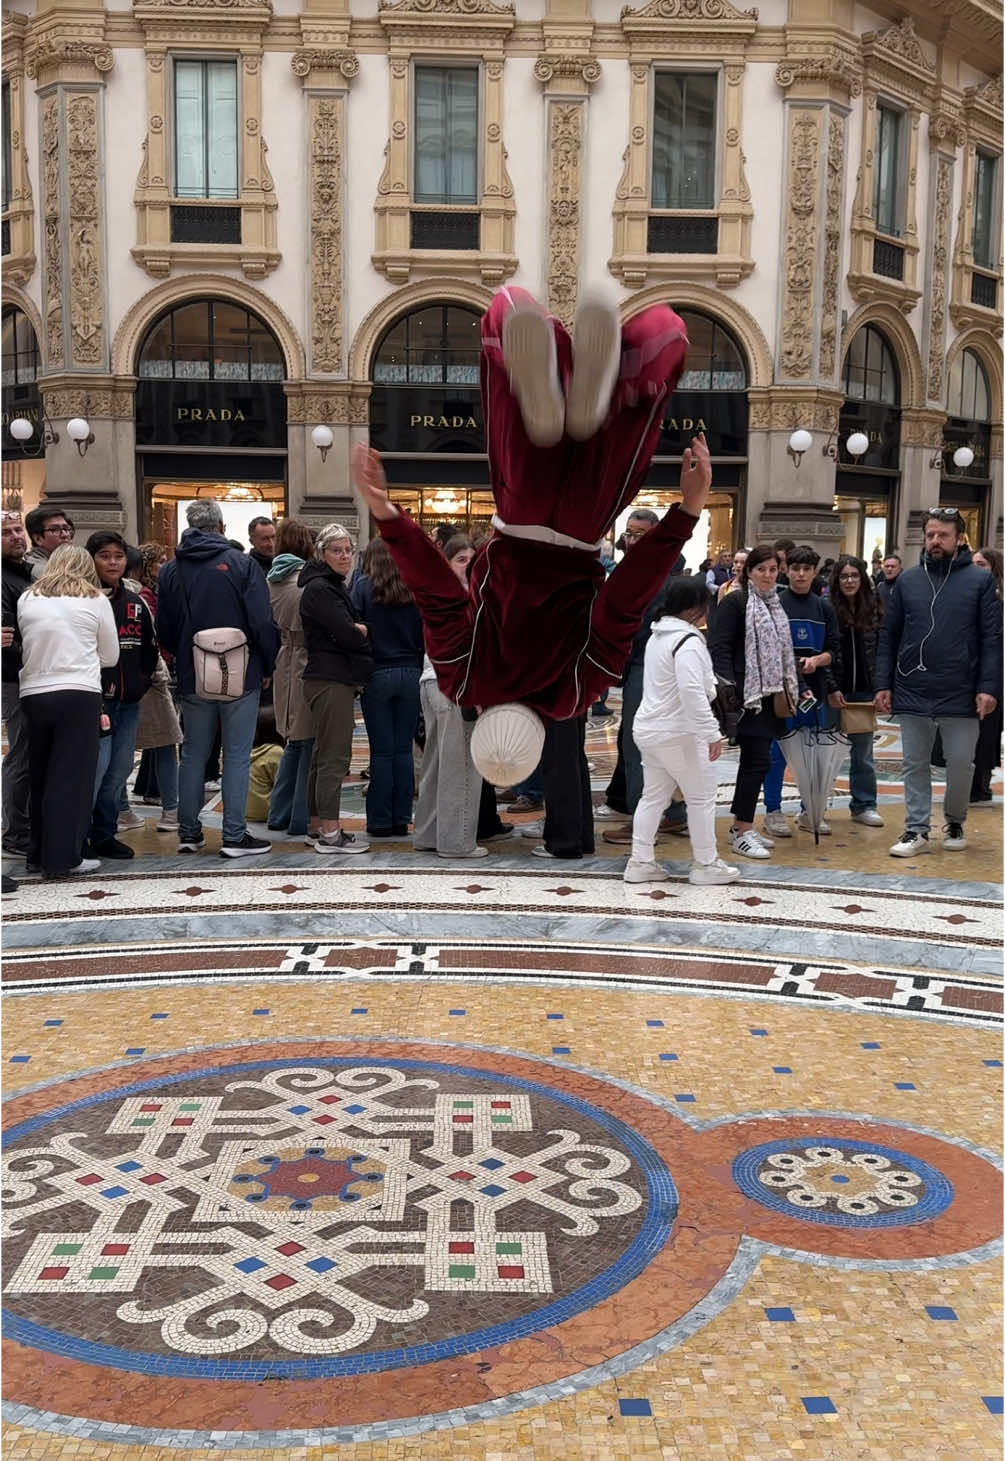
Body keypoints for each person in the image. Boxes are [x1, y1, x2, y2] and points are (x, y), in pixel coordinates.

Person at [351, 286, 701, 799]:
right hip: (521, 512)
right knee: (509, 311)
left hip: (586, 521)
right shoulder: (464, 681)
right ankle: (558, 383)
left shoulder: (574, 695)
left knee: (662, 331)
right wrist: (387, 515)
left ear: (540, 738)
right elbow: (437, 596)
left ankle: (611, 394)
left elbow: (623, 603)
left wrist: (685, 514)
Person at [874, 508, 1001, 856]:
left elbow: (992, 639)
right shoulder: (908, 581)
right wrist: (883, 683)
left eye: (942, 535)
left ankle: (955, 819)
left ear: (959, 538)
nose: (935, 541)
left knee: (961, 762)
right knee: (914, 762)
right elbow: (889, 636)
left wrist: (988, 687)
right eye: (930, 535)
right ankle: (915, 829)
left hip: (962, 690)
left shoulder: (979, 581)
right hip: (913, 687)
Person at [157, 498, 279, 857]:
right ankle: (234, 835)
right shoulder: (241, 564)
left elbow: (164, 627)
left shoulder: (170, 569)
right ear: (222, 527)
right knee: (237, 754)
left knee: (193, 753)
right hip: (241, 671)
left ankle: (189, 832)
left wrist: (181, 653)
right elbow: (261, 621)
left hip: (194, 672)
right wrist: (267, 664)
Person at [626, 576, 739, 886]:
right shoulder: (687, 642)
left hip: (650, 729)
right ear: (693, 610)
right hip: (678, 732)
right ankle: (706, 865)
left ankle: (640, 862)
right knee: (701, 798)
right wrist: (711, 732)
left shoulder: (657, 636)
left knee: (653, 797)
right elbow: (692, 690)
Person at [17, 545, 119, 878]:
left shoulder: (28, 599)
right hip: (78, 692)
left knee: (41, 774)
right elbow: (110, 657)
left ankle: (38, 853)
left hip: (34, 692)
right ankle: (63, 858)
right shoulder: (95, 600)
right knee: (71, 778)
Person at [708, 545, 798, 862]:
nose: (768, 575)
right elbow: (718, 647)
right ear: (749, 572)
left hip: (770, 695)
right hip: (747, 697)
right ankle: (742, 830)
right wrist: (729, 690)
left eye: (773, 569)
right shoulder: (736, 602)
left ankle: (741, 826)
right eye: (762, 569)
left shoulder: (776, 604)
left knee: (758, 762)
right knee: (757, 760)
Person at [84, 531, 159, 860]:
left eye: (118, 556)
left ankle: (104, 833)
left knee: (119, 769)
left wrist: (142, 681)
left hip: (129, 699)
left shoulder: (133, 601)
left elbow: (148, 647)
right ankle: (80, 833)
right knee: (95, 769)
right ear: (91, 559)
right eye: (104, 556)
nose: (113, 562)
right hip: (95, 702)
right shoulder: (84, 600)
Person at [299, 523, 373, 855]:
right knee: (334, 757)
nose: (344, 556)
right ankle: (330, 832)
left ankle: (317, 825)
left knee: (321, 756)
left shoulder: (327, 585)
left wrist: (354, 628)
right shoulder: (321, 589)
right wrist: (361, 630)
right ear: (321, 553)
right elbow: (345, 633)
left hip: (327, 676)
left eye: (348, 550)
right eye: (337, 550)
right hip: (331, 678)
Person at [412, 535, 487, 859]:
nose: (467, 564)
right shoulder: (463, 597)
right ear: (447, 562)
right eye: (460, 559)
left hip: (431, 683)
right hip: (455, 687)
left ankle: (428, 834)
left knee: (436, 762)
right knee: (462, 767)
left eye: (472, 559)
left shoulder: (438, 593)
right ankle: (456, 842)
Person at [761, 545, 841, 838]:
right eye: (795, 568)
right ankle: (772, 811)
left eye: (807, 569)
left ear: (815, 572)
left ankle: (811, 811)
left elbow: (834, 649)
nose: (801, 574)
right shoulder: (775, 604)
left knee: (813, 754)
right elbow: (769, 650)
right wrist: (794, 666)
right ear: (787, 570)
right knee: (778, 753)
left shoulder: (824, 608)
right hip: (782, 693)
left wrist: (818, 661)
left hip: (815, 693)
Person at [352, 536, 424, 837]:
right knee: (404, 751)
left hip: (377, 672)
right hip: (410, 672)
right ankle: (401, 818)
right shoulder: (414, 589)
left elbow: (354, 631)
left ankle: (380, 821)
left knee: (381, 752)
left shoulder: (363, 588)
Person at [266, 518, 316, 841]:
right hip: (306, 657)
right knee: (308, 740)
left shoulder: (273, 577)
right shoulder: (306, 579)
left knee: (293, 742)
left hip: (284, 655)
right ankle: (300, 818)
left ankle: (278, 813)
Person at [827, 555, 884, 827]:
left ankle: (863, 805)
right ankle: (814, 806)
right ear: (837, 581)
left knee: (863, 754)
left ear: (862, 579)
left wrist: (881, 687)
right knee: (824, 752)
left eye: (854, 575)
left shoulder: (875, 607)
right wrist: (831, 686)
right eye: (844, 576)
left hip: (863, 692)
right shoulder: (828, 608)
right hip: (834, 692)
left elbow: (882, 651)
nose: (849, 580)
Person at [131, 541, 182, 833]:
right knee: (162, 740)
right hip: (149, 675)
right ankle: (170, 809)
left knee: (158, 742)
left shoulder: (152, 593)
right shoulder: (144, 596)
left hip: (149, 672)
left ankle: (157, 799)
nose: (164, 566)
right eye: (159, 561)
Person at [1, 511, 33, 856]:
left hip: (27, 673)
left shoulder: (20, 574)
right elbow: (8, 640)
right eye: (7, 532)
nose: (15, 536)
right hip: (15, 677)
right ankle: (15, 835)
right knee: (21, 755)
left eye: (17, 529)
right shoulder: (3, 579)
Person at [968, 546, 1003, 804]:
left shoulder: (999, 602)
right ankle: (968, 785)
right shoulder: (968, 597)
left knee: (987, 733)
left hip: (993, 678)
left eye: (981, 564)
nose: (975, 568)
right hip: (966, 676)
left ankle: (980, 785)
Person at [24, 507, 75, 580]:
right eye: (55, 529)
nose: (65, 535)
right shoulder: (42, 572)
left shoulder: (61, 562)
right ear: (38, 539)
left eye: (66, 528)